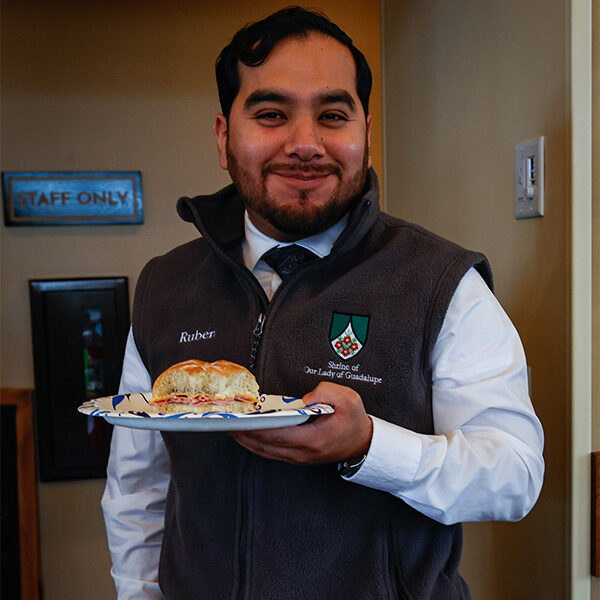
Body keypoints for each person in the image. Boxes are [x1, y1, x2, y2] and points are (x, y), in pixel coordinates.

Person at [102, 7, 544, 600]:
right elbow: (138, 485)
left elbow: (514, 475)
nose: (304, 143)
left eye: (333, 115)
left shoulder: (442, 281)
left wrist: (370, 447)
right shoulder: (165, 286)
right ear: (223, 135)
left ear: (365, 131)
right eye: (271, 114)